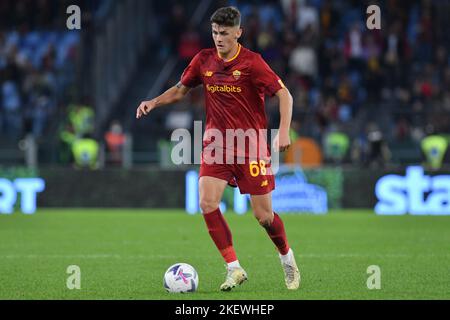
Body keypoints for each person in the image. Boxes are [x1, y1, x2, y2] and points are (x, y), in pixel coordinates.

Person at [136, 6, 300, 291]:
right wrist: (154, 101)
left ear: (239, 33)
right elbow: (180, 89)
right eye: (214, 33)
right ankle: (233, 268)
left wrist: (283, 130)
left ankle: (287, 257)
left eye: (224, 33)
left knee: (264, 217)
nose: (218, 38)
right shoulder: (203, 60)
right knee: (206, 203)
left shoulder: (253, 63)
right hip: (217, 146)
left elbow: (284, 94)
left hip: (250, 146)